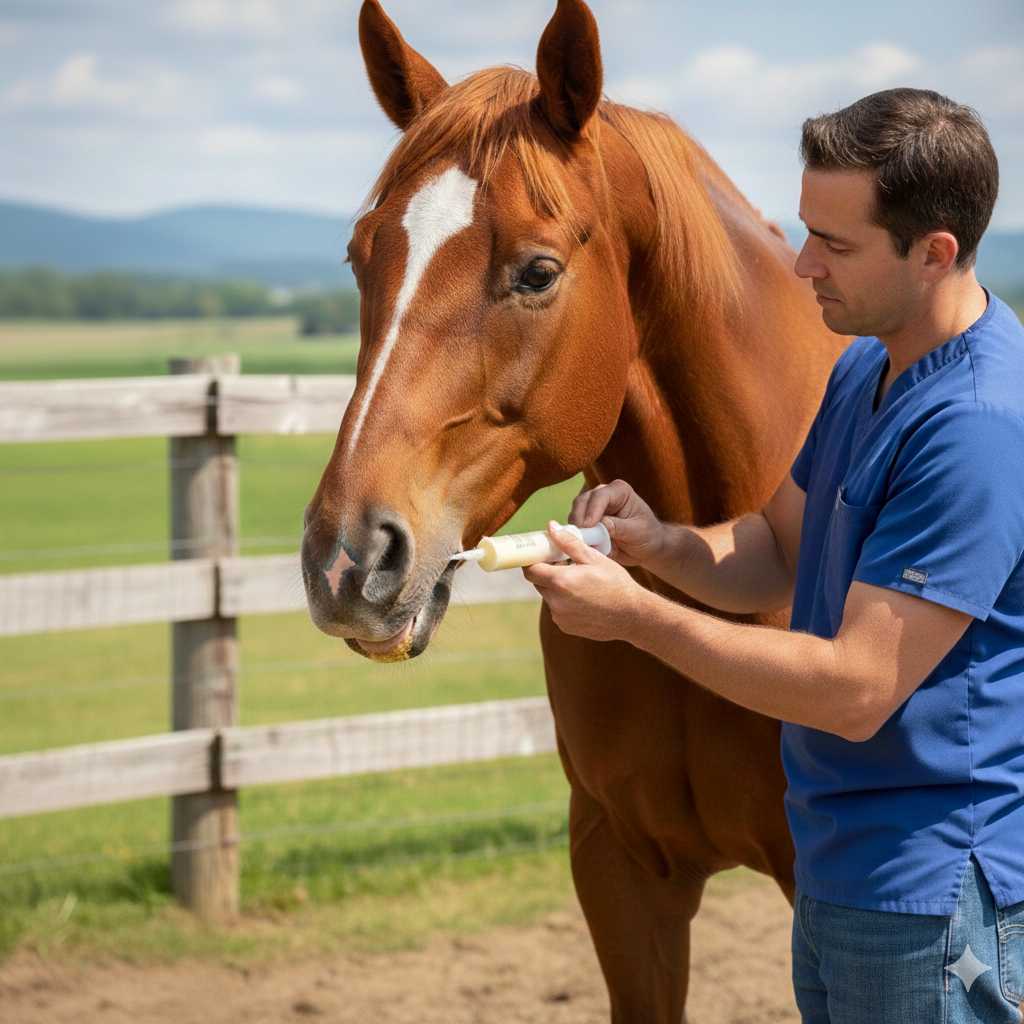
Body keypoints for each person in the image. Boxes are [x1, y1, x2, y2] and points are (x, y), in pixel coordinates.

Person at [523, 88, 1024, 1023]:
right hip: (844, 867)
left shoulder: (977, 426)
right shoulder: (865, 369)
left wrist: (635, 616)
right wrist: (657, 544)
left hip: (933, 897)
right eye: (807, 231)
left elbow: (856, 686)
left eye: (835, 244)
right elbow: (774, 546)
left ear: (936, 253)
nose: (802, 265)